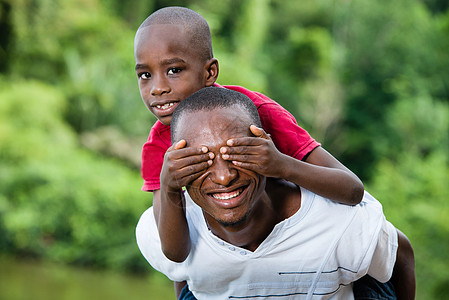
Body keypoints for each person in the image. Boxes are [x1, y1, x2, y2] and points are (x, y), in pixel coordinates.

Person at [136, 87, 415, 300]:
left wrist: (285, 164)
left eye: (237, 155)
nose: (224, 176)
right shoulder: (164, 230)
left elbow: (399, 254)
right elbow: (184, 273)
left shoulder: (340, 226)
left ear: (264, 150)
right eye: (200, 161)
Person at [134, 7, 365, 225]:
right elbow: (175, 252)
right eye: (145, 74)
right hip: (233, 250)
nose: (158, 88)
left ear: (209, 72)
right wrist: (168, 185)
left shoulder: (260, 113)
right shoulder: (159, 146)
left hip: (299, 231)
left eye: (174, 70)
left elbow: (352, 190)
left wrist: (282, 165)